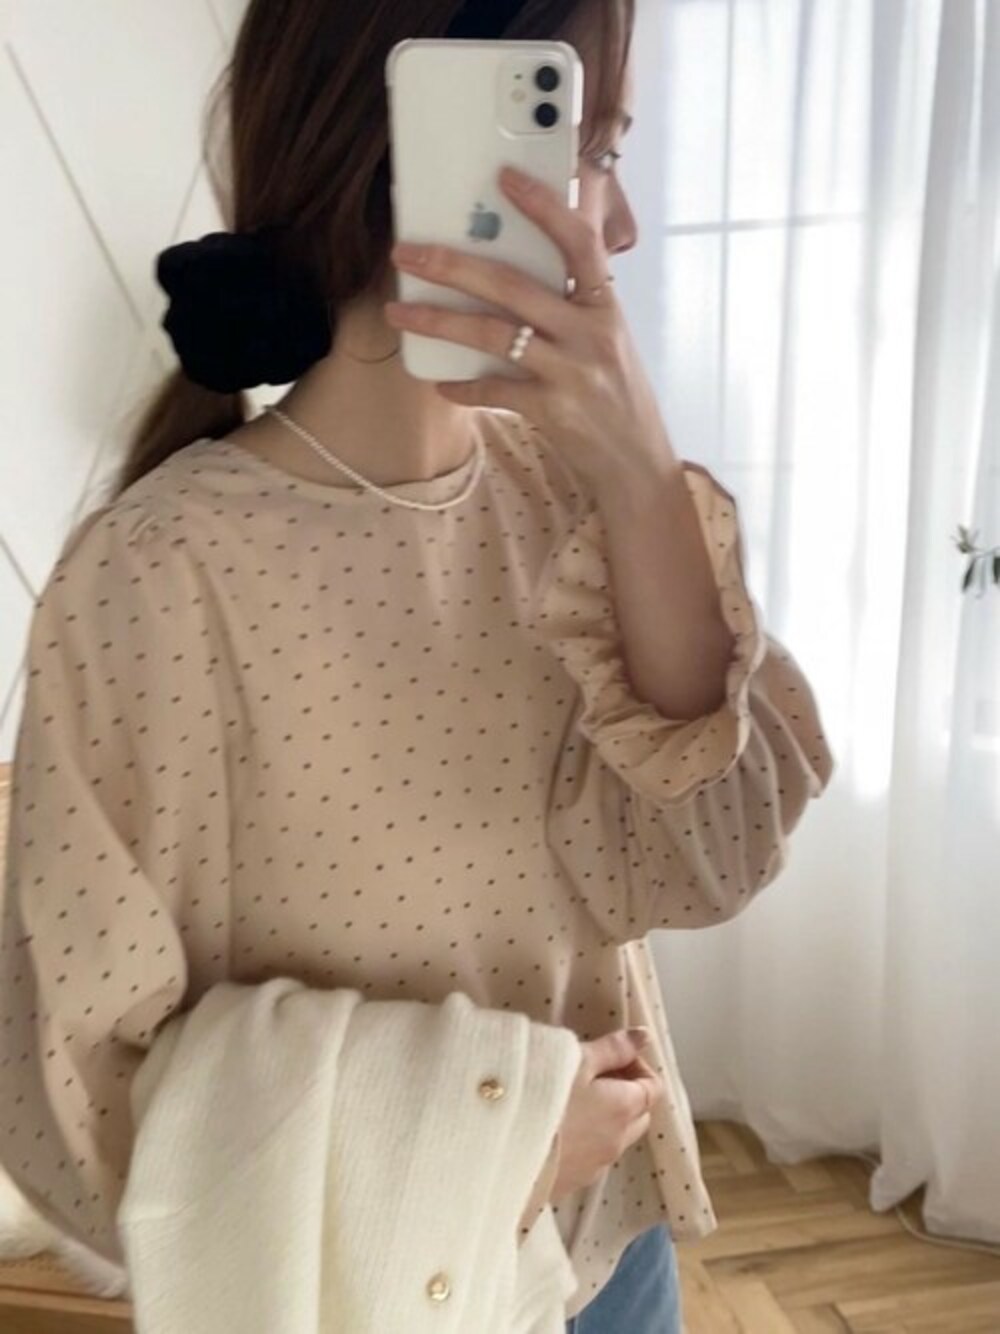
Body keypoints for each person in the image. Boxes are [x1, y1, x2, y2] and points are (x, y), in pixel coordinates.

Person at [0, 0, 835, 1328]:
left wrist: (638, 472)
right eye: (589, 147)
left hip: (611, 1254)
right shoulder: (157, 578)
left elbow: (714, 851)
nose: (621, 223)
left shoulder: (575, 505)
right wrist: (500, 1138)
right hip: (370, 1291)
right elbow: (81, 1095)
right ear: (420, 153)